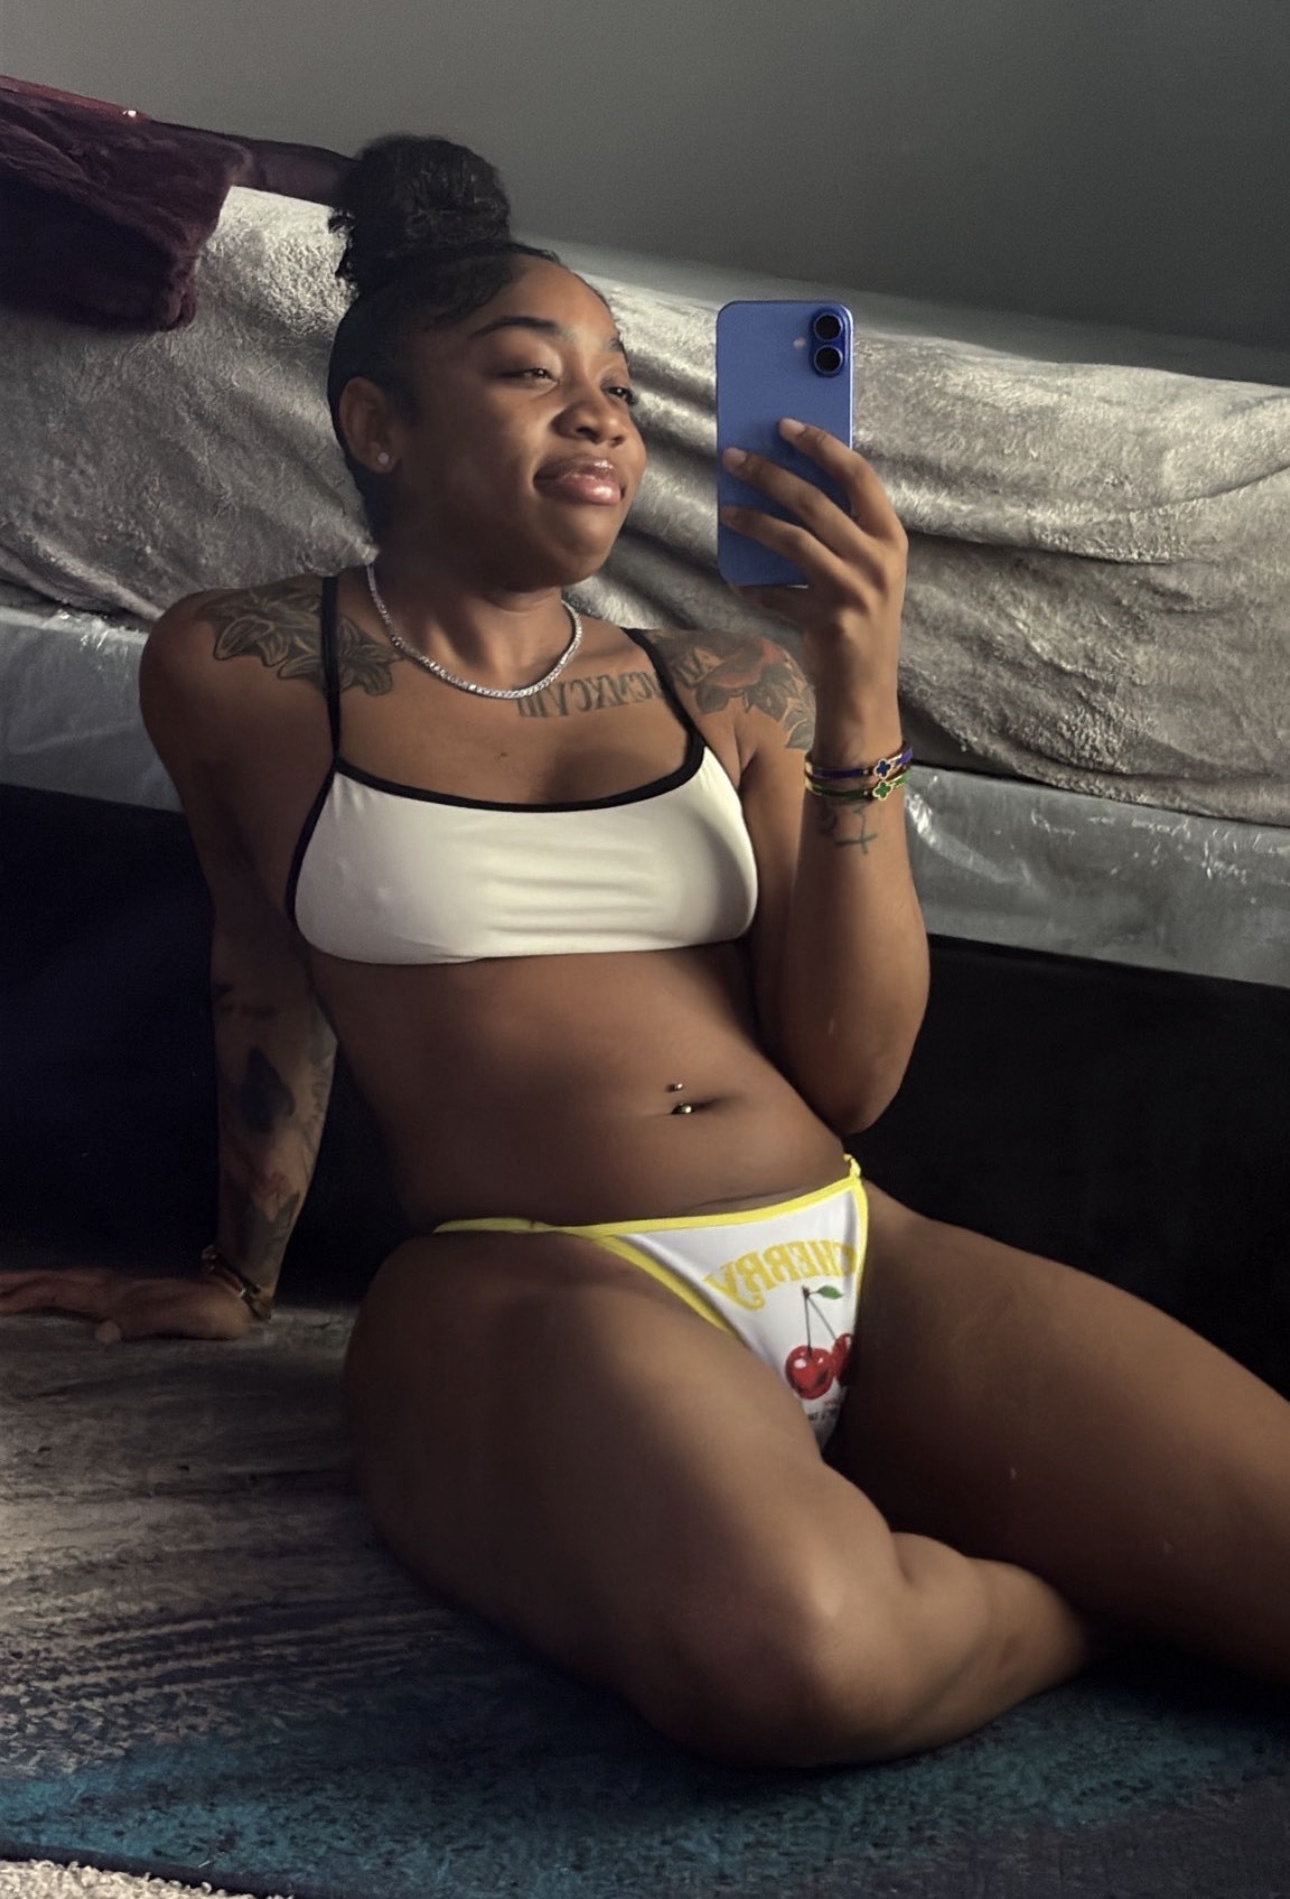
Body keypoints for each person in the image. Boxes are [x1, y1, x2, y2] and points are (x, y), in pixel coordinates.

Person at [3, 133, 1289, 1772]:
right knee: (804, 1665)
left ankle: (1004, 1564)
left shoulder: (734, 683)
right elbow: (262, 970)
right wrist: (235, 1270)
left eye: (616, 385)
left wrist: (861, 691)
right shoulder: (242, 663)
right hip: (538, 1284)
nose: (600, 414)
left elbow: (852, 1071)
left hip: (854, 1247)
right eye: (529, 372)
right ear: (378, 426)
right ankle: (1089, 1602)